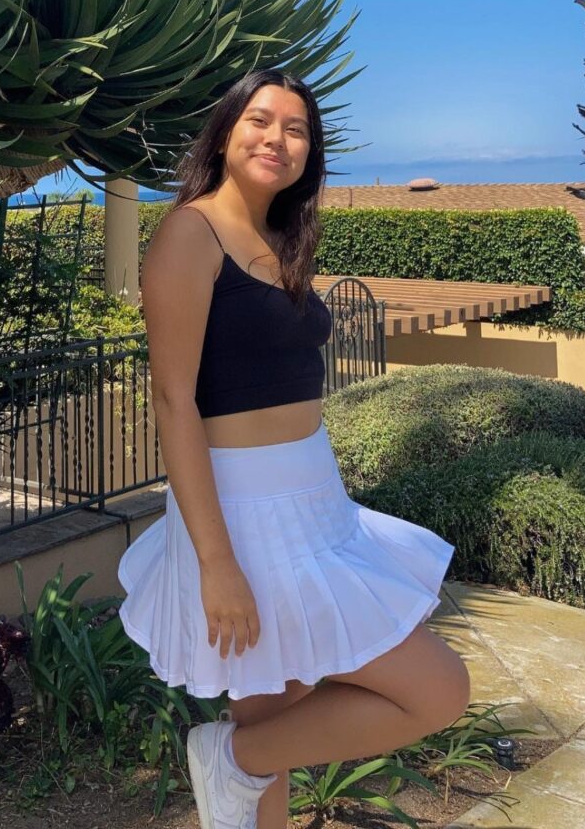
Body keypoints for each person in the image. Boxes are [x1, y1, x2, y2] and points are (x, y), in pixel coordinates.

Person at [117, 69, 471, 829]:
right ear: (224, 133)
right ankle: (229, 760)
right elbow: (175, 401)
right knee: (437, 689)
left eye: (296, 128)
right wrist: (215, 562)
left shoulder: (280, 239)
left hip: (314, 502)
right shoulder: (190, 231)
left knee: (271, 725)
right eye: (260, 120)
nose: (277, 138)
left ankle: (234, 764)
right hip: (246, 516)